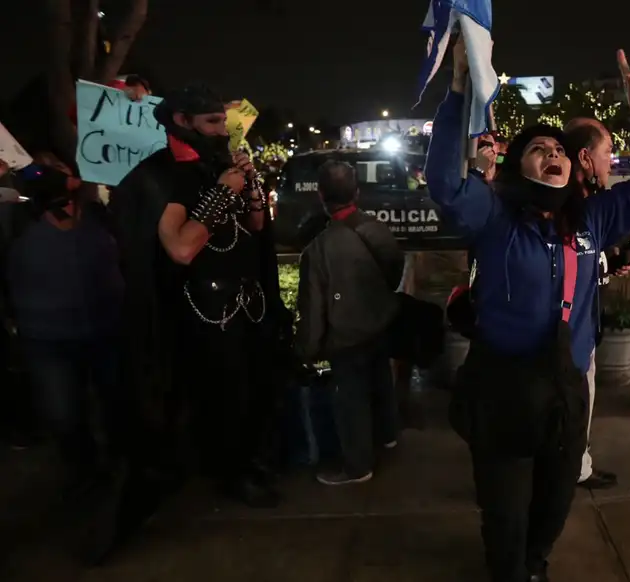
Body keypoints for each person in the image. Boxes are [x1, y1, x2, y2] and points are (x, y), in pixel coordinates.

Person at [425, 38, 630, 582]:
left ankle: (535, 562)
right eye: (537, 148)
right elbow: (445, 185)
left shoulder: (593, 219)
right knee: (505, 512)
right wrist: (457, 90)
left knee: (556, 500)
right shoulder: (494, 216)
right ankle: (510, 575)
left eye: (558, 148)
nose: (552, 153)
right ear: (519, 165)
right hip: (502, 389)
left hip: (565, 390)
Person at [110, 85, 288, 511]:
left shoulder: (219, 165)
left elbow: (256, 226)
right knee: (223, 393)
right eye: (212, 122)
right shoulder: (162, 176)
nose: (222, 131)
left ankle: (248, 461)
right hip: (203, 311)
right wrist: (223, 192)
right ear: (182, 121)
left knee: (252, 387)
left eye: (223, 122)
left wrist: (250, 183)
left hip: (248, 304)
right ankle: (229, 470)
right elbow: (180, 248)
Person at [5, 156, 124, 488]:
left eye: (57, 165)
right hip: (47, 338)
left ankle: (123, 468)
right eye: (42, 167)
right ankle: (85, 474)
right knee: (64, 415)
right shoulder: (16, 219)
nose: (52, 172)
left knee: (117, 404)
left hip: (106, 327)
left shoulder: (99, 214)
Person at [296, 160, 404, 486]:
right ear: (357, 192)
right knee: (381, 380)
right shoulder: (377, 229)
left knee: (350, 399)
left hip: (345, 336)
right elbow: (393, 273)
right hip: (380, 321)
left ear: (320, 195)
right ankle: (388, 436)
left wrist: (307, 349)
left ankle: (358, 467)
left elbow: (312, 307)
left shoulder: (318, 249)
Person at [560, 117, 629, 491]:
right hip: (567, 340)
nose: (611, 161)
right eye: (607, 152)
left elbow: (587, 258)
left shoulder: (591, 205)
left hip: (583, 334)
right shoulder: (570, 210)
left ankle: (577, 465)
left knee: (579, 409)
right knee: (570, 412)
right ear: (585, 158)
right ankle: (570, 469)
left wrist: (609, 260)